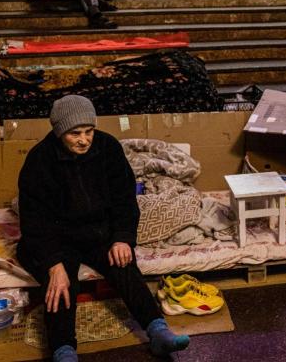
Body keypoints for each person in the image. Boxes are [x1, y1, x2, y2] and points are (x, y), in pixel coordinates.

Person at [17, 96, 190, 361]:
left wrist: (122, 238)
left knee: (123, 265)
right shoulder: (40, 160)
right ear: (59, 131)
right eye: (75, 133)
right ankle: (63, 350)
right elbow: (34, 220)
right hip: (57, 237)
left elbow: (124, 200)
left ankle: (158, 331)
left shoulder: (108, 148)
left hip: (98, 231)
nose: (84, 139)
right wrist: (53, 264)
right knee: (61, 285)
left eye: (89, 131)